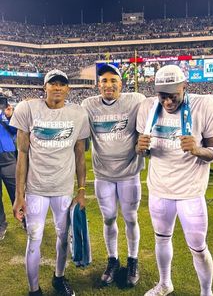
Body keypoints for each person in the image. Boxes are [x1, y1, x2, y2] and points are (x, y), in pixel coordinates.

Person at [136, 64, 213, 296]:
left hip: (190, 192)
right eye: (162, 96)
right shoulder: (148, 107)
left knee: (198, 248)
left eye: (173, 96)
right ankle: (165, 283)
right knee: (161, 239)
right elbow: (143, 148)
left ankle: (207, 293)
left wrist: (198, 150)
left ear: (185, 87)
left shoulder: (204, 104)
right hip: (159, 189)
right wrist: (140, 149)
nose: (167, 102)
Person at [10, 69, 90, 296]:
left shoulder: (78, 114)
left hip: (63, 189)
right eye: (52, 83)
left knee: (64, 236)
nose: (57, 87)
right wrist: (19, 195)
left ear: (68, 89)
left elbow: (80, 155)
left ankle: (59, 277)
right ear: (44, 87)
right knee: (34, 237)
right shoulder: (28, 109)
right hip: (36, 189)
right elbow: (22, 154)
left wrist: (82, 189)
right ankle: (33, 290)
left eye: (61, 84)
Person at [81, 64, 145, 287]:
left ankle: (133, 259)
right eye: (104, 81)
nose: (108, 85)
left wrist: (143, 141)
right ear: (98, 85)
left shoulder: (136, 100)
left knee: (131, 218)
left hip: (129, 173)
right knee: (108, 218)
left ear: (121, 83)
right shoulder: (88, 105)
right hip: (103, 175)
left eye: (113, 80)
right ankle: (113, 259)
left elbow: (148, 124)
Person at [0, 103, 17, 240]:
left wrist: (10, 116)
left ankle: (25, 220)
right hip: (7, 155)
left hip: (8, 157)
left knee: (16, 191)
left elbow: (15, 131)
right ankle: (1, 225)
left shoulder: (5, 115)